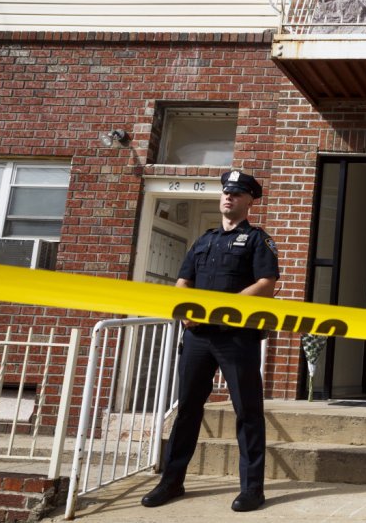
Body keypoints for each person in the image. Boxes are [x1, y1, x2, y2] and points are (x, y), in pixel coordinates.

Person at [142, 170, 279, 512]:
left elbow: (266, 283)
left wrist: (223, 311)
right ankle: (171, 482)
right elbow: (183, 281)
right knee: (187, 409)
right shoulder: (204, 240)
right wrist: (188, 310)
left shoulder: (257, 240)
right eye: (225, 193)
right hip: (198, 338)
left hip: (237, 339)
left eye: (236, 193)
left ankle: (252, 489)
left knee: (247, 412)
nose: (228, 198)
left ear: (250, 200)